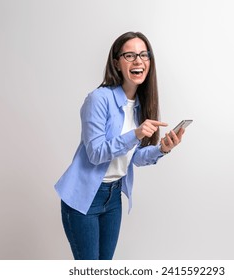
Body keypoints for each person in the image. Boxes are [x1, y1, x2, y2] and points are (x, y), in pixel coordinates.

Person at [54, 31, 186, 260]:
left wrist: (162, 149)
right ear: (116, 63)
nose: (138, 61)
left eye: (144, 55)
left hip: (113, 196)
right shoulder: (98, 99)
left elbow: (132, 157)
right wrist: (135, 134)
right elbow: (95, 153)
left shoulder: (140, 104)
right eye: (130, 55)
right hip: (84, 197)